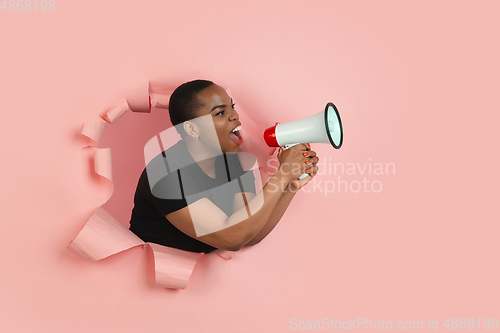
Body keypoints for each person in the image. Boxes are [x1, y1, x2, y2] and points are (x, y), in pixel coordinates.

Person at [129, 80, 319, 253]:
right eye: (220, 113)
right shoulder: (165, 173)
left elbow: (251, 233)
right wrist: (283, 174)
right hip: (145, 278)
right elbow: (232, 238)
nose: (234, 116)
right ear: (192, 129)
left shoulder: (231, 161)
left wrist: (290, 186)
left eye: (232, 107)